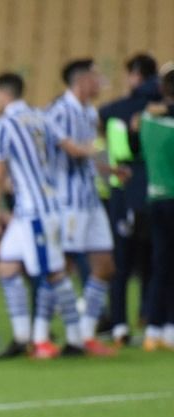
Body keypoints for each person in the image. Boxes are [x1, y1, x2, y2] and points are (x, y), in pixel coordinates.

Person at [0, 72, 85, 360]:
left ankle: (73, 337)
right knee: (5, 267)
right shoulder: (42, 117)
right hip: (37, 207)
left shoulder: (4, 124)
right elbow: (71, 149)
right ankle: (22, 336)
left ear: (5, 95)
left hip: (36, 212)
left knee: (52, 272)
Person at [46, 59, 118, 356]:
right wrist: (95, 152)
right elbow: (72, 149)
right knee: (62, 265)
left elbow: (89, 153)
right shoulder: (59, 110)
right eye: (95, 76)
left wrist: (108, 170)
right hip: (67, 201)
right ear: (81, 80)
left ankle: (86, 333)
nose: (99, 81)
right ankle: (44, 331)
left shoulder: (90, 111)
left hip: (90, 196)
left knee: (105, 266)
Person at [101, 54, 162, 345]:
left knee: (121, 263)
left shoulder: (118, 110)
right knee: (155, 260)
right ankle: (151, 318)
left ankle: (119, 325)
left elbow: (103, 115)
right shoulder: (161, 109)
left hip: (123, 192)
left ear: (135, 74)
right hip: (158, 193)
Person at [137, 68, 174, 351]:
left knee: (161, 265)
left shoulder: (148, 120)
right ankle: (171, 329)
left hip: (155, 199)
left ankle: (153, 329)